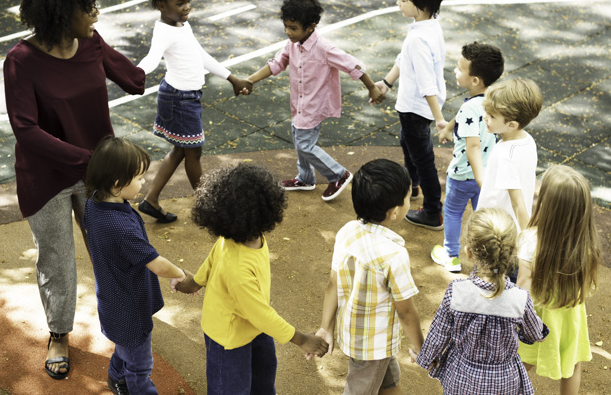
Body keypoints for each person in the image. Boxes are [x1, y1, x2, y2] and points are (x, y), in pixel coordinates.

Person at [3, 0, 145, 379]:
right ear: (64, 14)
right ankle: (59, 334)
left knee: (112, 248)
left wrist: (172, 49)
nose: (96, 14)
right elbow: (26, 131)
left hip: (94, 173)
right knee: (58, 259)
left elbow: (134, 80)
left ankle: (123, 321)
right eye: (88, 8)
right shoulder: (21, 61)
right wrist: (89, 161)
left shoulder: (91, 43)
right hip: (46, 177)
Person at [173, 163, 328, 394]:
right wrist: (302, 339)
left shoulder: (243, 238)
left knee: (263, 384)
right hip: (228, 338)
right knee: (231, 389)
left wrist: (192, 283)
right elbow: (260, 314)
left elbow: (208, 268)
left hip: (254, 330)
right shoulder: (237, 268)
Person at [247, 0, 385, 201]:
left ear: (311, 26)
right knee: (298, 138)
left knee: (305, 144)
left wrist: (372, 87)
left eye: (293, 28)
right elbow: (276, 64)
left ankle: (338, 174)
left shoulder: (324, 47)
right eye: (286, 26)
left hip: (314, 105)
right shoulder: (292, 44)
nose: (287, 32)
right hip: (299, 103)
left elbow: (353, 64)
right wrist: (249, 81)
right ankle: (305, 178)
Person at [136, 0, 252, 223]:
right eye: (180, 3)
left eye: (188, 1)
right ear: (161, 6)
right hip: (179, 99)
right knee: (193, 152)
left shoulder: (181, 25)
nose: (187, 7)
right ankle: (207, 205)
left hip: (185, 97)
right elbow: (152, 58)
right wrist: (133, 74)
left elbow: (200, 55)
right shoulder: (164, 31)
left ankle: (151, 200)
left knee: (181, 149)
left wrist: (232, 78)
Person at [83, 137, 188, 394]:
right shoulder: (120, 228)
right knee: (140, 365)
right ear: (118, 184)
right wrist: (180, 274)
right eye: (140, 178)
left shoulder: (95, 203)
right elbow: (158, 265)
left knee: (125, 346)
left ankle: (116, 376)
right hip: (129, 304)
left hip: (114, 296)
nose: (144, 183)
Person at [311, 159, 424, 395]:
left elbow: (333, 284)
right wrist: (422, 347)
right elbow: (405, 311)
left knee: (389, 383)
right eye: (406, 198)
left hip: (358, 335)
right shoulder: (394, 254)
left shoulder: (347, 232)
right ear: (394, 212)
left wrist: (325, 327)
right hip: (373, 346)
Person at [416, 208, 549, 395]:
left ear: (469, 252)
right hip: (504, 383)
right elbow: (535, 334)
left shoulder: (457, 292)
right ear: (512, 252)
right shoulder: (520, 298)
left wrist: (425, 359)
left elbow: (438, 336)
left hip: (461, 379)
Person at [517, 165, 600, 395]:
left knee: (520, 362)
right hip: (569, 315)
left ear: (547, 206)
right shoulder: (585, 244)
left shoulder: (530, 240)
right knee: (572, 363)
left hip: (536, 316)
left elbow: (522, 284)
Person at [375, 0, 447, 230]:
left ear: (421, 4)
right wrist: (387, 82)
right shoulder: (429, 27)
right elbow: (403, 60)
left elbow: (426, 82)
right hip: (417, 107)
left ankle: (432, 212)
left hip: (417, 108)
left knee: (422, 157)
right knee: (409, 145)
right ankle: (413, 185)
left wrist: (438, 118)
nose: (398, 3)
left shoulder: (418, 38)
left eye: (403, 0)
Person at [431, 42, 504, 272]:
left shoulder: (468, 109)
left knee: (453, 212)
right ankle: (485, 259)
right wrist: (447, 129)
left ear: (474, 80)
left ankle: (452, 256)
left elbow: (472, 146)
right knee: (482, 217)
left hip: (464, 175)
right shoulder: (493, 98)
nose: (455, 71)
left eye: (460, 68)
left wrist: (477, 177)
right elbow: (463, 114)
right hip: (487, 173)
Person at [476, 77, 543, 232]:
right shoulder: (528, 140)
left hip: (496, 228)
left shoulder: (506, 154)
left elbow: (517, 203)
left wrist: (526, 239)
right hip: (507, 226)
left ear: (512, 125)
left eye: (492, 116)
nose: (485, 117)